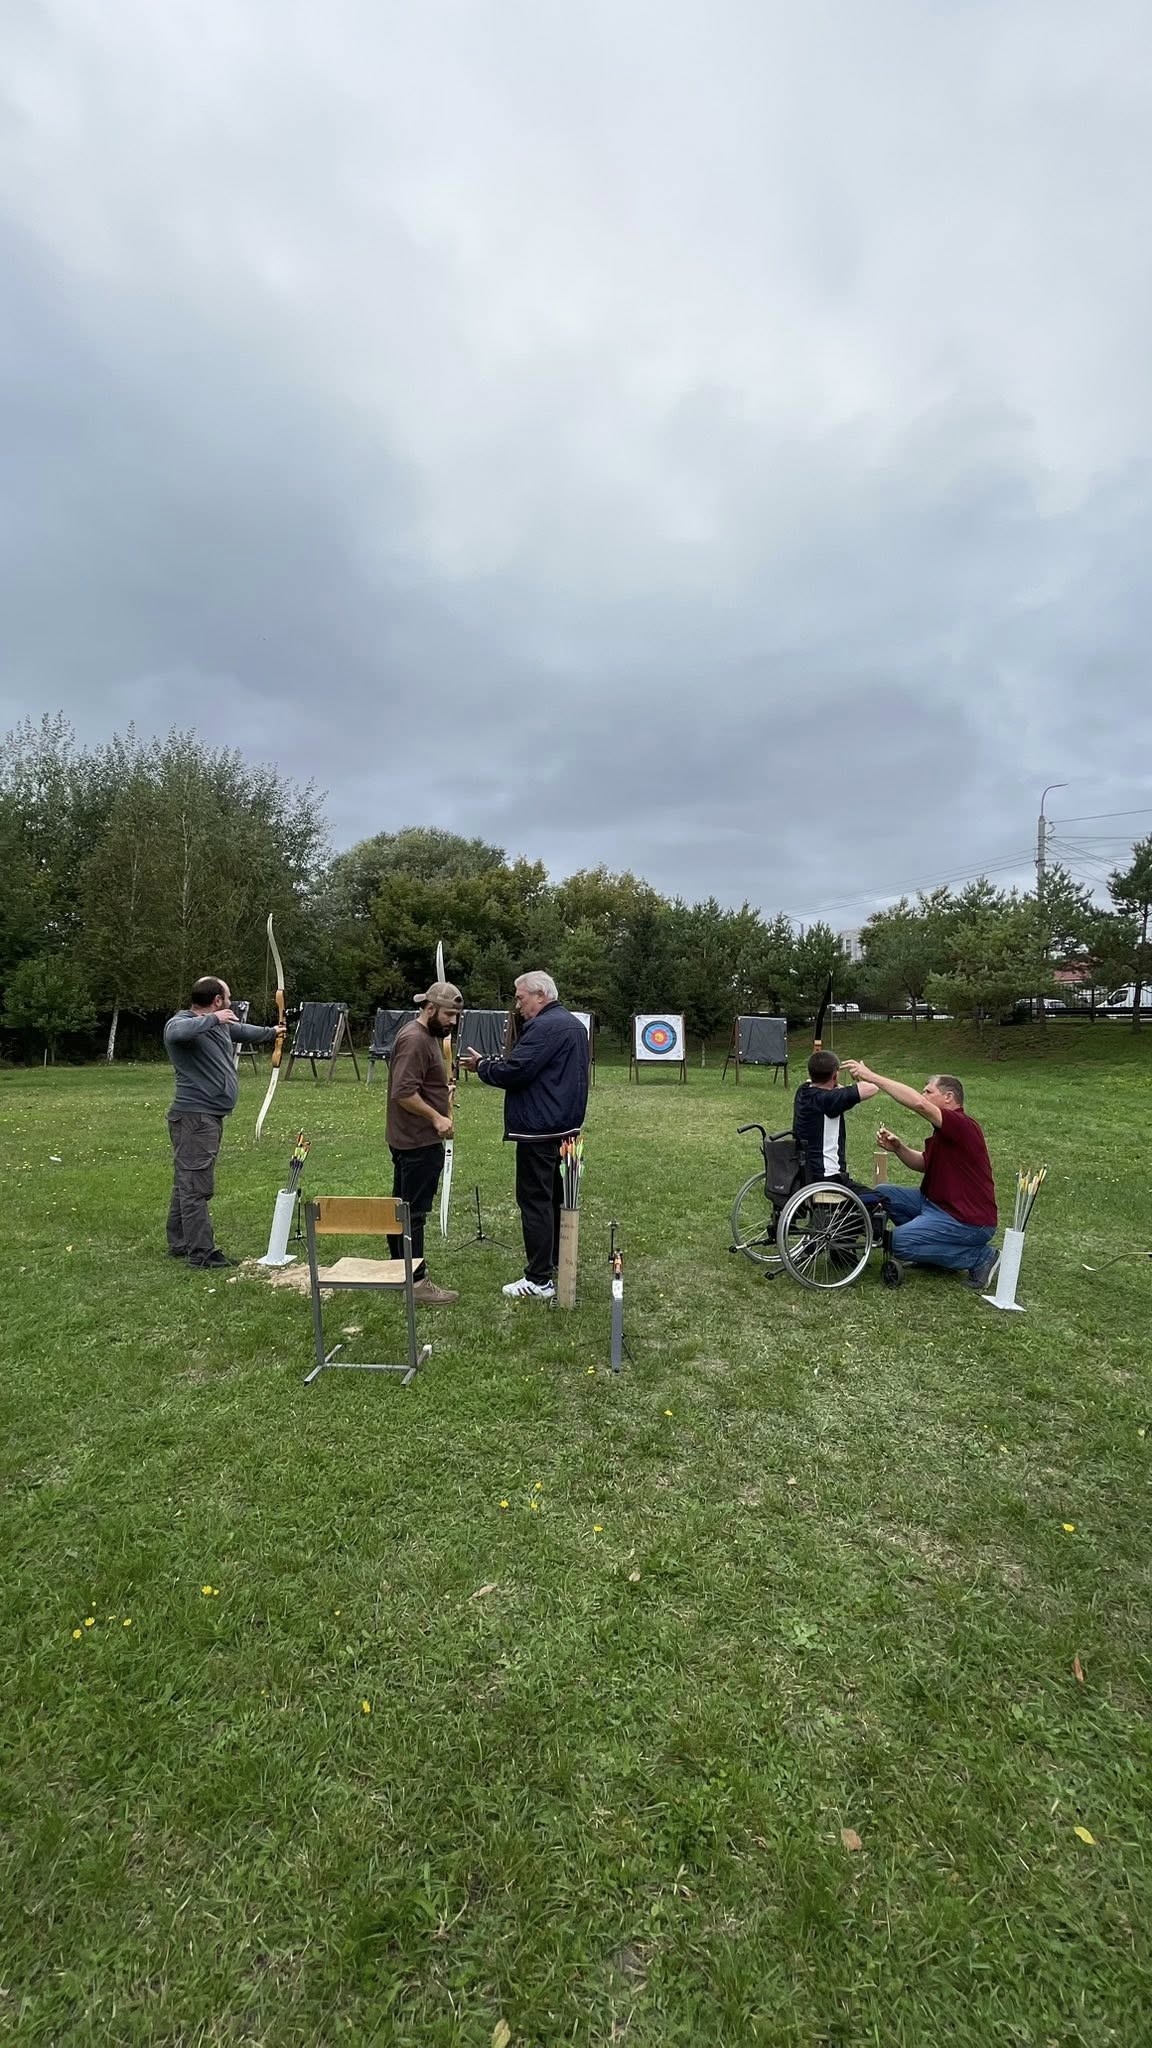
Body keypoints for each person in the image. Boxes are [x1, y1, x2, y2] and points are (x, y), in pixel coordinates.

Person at [459, 971, 590, 1300]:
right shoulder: (573, 1024)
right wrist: (492, 1062)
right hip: (565, 1129)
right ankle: (558, 1261)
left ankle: (539, 1279)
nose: (518, 1005)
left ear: (540, 996)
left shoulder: (543, 1026)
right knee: (558, 1199)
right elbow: (535, 1067)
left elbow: (517, 1071)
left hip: (540, 1130)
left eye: (521, 997)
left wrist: (482, 1067)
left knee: (536, 1202)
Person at [840, 1061, 998, 1288]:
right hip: (936, 1205)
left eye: (929, 1091)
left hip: (967, 1220)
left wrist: (871, 1076)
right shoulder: (944, 1132)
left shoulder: (962, 1125)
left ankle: (981, 1258)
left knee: (899, 1243)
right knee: (884, 1195)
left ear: (948, 1097)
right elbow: (924, 1163)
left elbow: (919, 1105)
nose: (923, 1094)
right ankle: (930, 1252)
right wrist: (898, 1148)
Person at [164, 975, 285, 1268]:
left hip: (207, 1116)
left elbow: (242, 1031)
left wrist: (273, 1031)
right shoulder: (181, 1023)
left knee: (187, 1182)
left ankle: (180, 1242)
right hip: (195, 1117)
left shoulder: (221, 1025)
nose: (230, 1002)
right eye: (227, 998)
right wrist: (214, 1019)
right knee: (195, 1186)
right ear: (217, 1000)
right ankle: (202, 1254)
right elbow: (177, 1034)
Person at [384, 982, 463, 1305]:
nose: (452, 1022)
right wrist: (436, 1117)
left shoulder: (429, 1036)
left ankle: (399, 1272)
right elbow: (403, 1092)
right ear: (430, 1008)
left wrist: (441, 1093)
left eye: (456, 1016)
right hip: (417, 1141)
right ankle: (415, 1283)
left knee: (401, 1209)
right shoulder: (415, 1039)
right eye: (448, 1015)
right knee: (412, 1213)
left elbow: (419, 1083)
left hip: (414, 1138)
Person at [792, 1050, 880, 1191]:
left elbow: (839, 1090)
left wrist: (834, 1080)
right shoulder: (830, 1099)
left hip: (804, 1173)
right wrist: (864, 1074)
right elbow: (873, 1088)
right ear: (835, 1075)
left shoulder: (803, 1090)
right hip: (828, 1178)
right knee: (881, 1201)